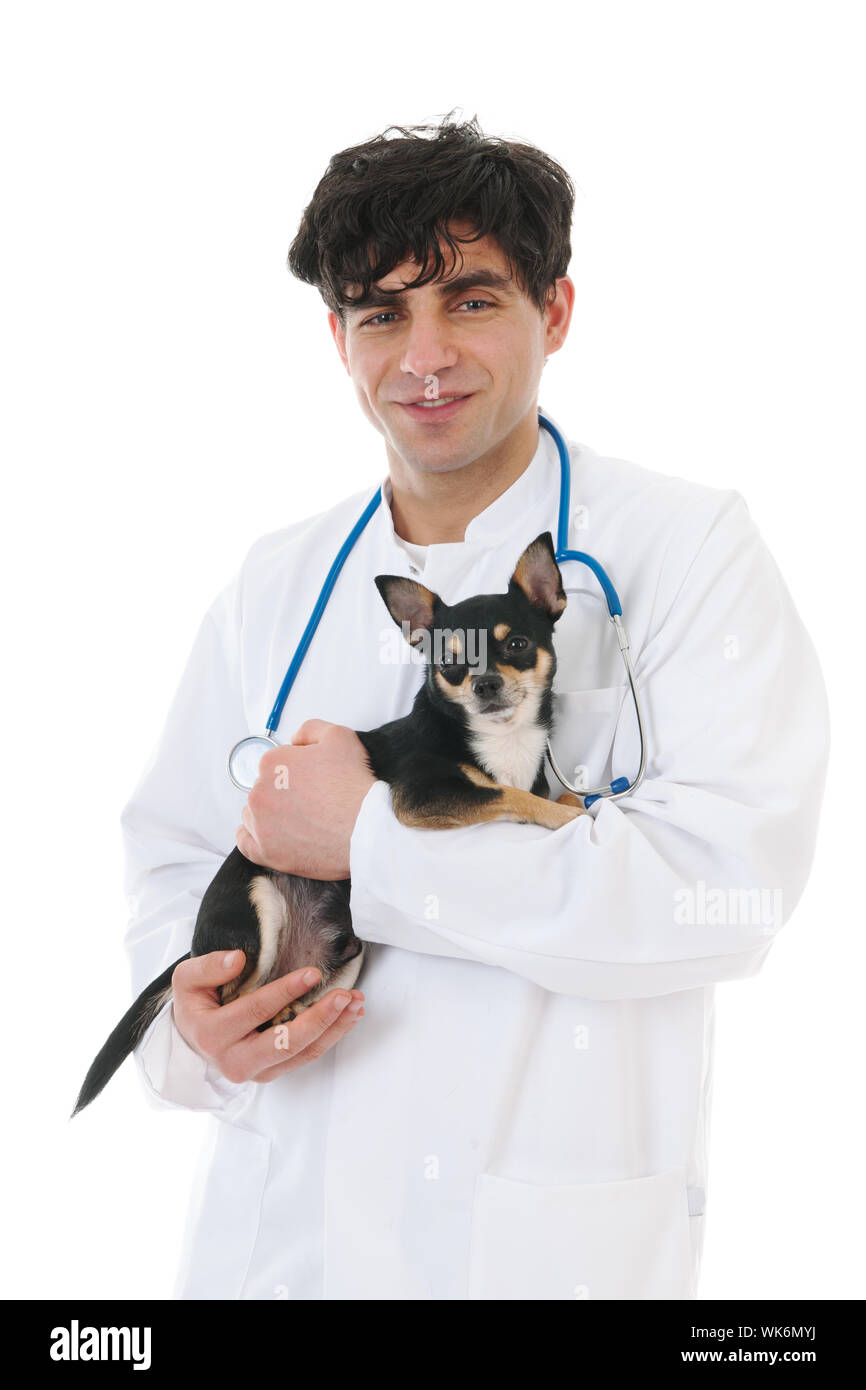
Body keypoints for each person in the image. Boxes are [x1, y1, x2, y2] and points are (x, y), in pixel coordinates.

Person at [122, 115, 829, 1300]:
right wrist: (188, 1038)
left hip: (534, 1250)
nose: (424, 355)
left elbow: (728, 889)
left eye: (471, 300)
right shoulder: (274, 582)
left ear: (553, 313)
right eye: (381, 311)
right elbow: (171, 855)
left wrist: (367, 837)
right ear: (336, 336)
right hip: (279, 1246)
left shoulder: (683, 547)